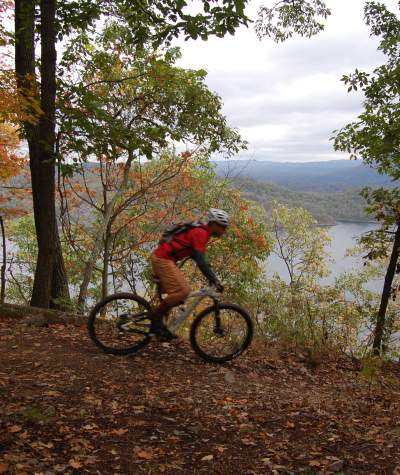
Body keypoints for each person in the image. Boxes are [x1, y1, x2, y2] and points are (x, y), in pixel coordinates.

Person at [149, 208, 229, 340]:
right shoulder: (200, 233)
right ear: (214, 224)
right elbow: (200, 260)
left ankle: (159, 330)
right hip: (163, 259)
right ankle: (156, 320)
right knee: (184, 291)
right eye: (223, 227)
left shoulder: (202, 233)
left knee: (175, 297)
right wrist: (214, 279)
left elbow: (196, 256)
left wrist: (210, 276)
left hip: (164, 258)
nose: (224, 231)